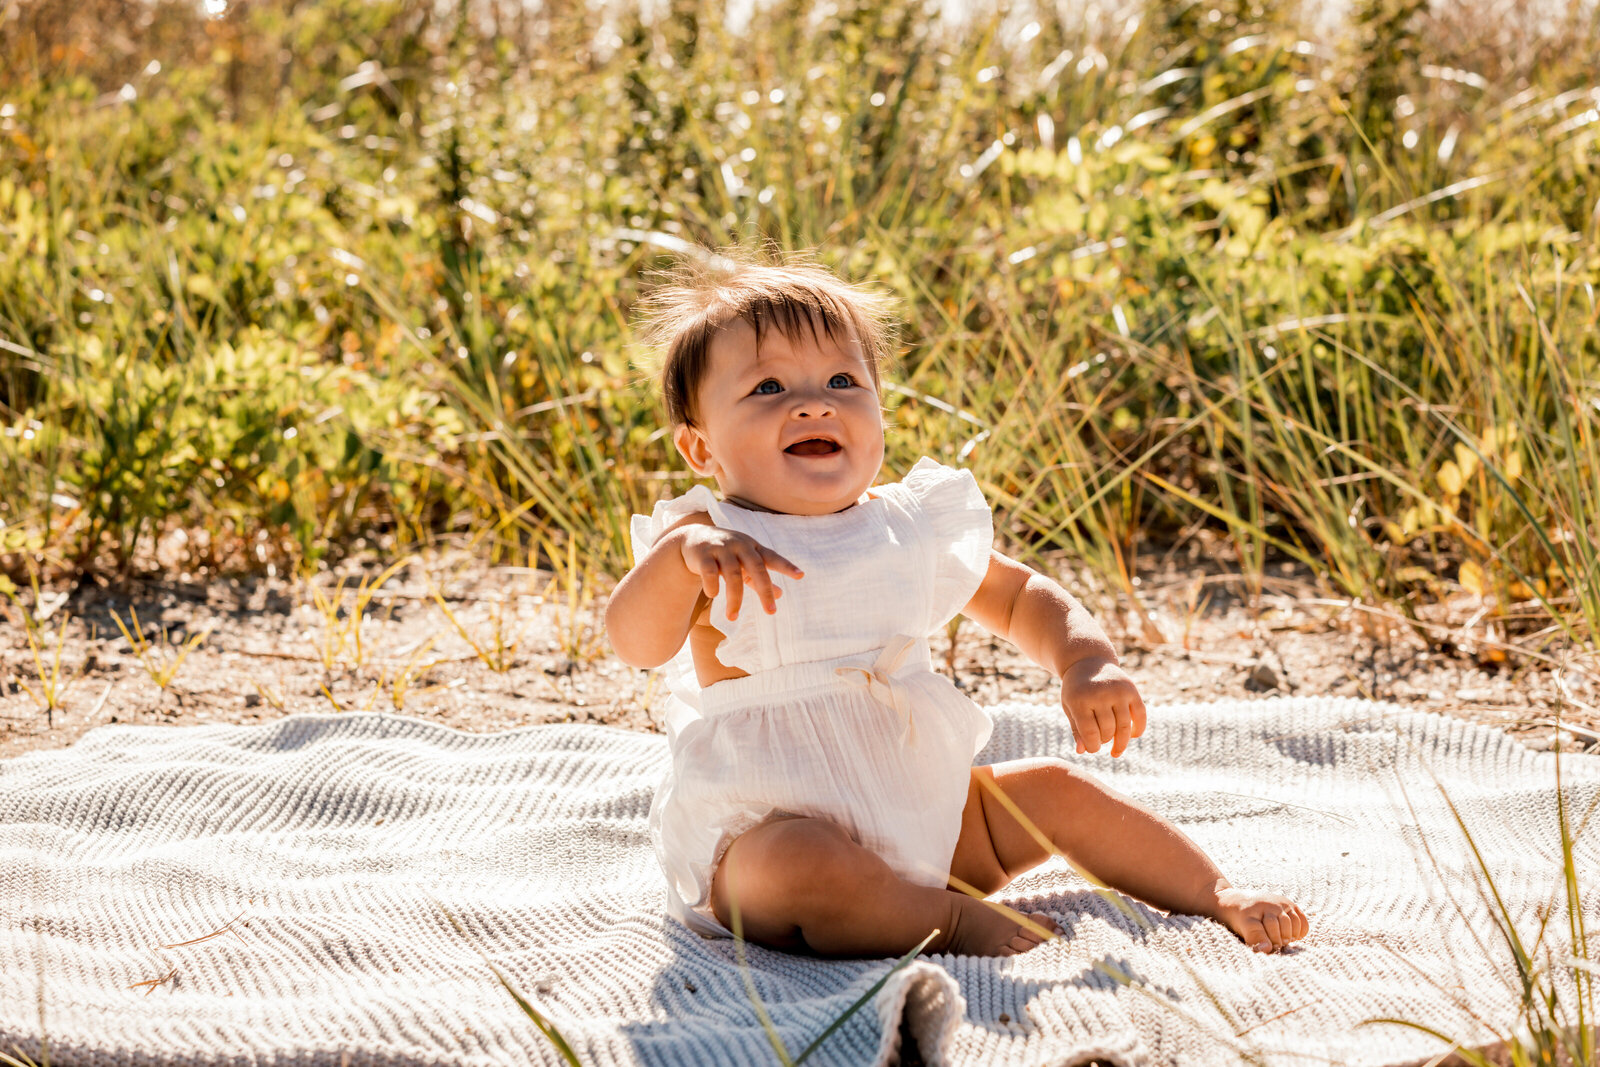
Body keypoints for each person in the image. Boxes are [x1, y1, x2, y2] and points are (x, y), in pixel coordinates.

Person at [605, 252, 1309, 959]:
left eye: (843, 380)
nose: (814, 403)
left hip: (927, 817)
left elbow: (1016, 594)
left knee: (1058, 790)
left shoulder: (909, 525)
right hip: (767, 840)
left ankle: (1215, 893)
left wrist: (1084, 659)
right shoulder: (708, 542)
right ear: (700, 446)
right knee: (803, 862)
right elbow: (635, 641)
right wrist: (678, 560)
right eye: (767, 387)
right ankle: (947, 921)